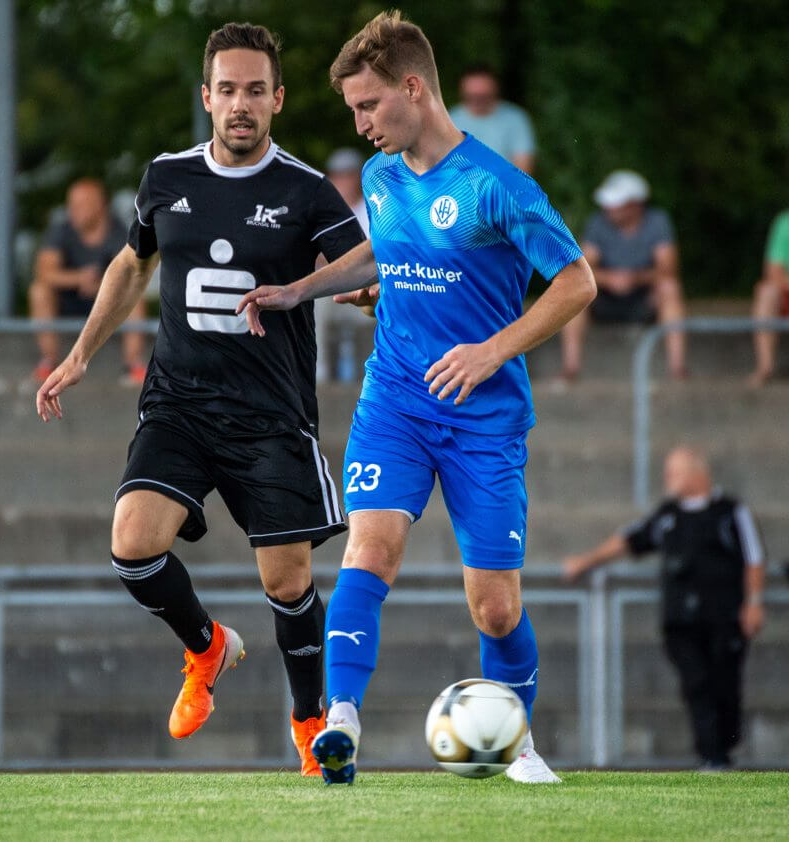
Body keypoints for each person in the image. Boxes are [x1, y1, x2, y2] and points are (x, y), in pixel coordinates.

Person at [237, 10, 596, 784]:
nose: (360, 125)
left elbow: (577, 282)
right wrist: (299, 289)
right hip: (395, 400)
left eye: (368, 105)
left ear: (413, 88)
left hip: (484, 416)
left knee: (494, 607)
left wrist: (491, 350)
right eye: (352, 110)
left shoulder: (497, 186)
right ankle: (339, 724)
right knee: (369, 551)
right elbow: (386, 250)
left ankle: (517, 742)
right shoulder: (382, 176)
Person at [35, 23, 365, 777]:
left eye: (256, 90)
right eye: (228, 90)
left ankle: (309, 722)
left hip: (272, 417)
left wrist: (356, 290)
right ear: (207, 98)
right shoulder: (166, 177)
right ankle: (207, 647)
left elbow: (361, 263)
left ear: (277, 99)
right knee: (132, 545)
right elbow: (132, 264)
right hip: (179, 405)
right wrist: (80, 353)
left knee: (287, 582)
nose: (241, 103)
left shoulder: (306, 190)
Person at [562, 447, 766, 770]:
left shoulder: (729, 512)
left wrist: (753, 603)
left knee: (725, 683)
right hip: (681, 621)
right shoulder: (667, 515)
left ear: (697, 473)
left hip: (724, 617)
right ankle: (711, 757)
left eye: (675, 471)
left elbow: (754, 558)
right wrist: (586, 562)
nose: (668, 478)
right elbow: (630, 539)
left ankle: (724, 749)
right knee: (695, 683)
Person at [559, 170, 686, 380]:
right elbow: (580, 271)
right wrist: (611, 279)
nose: (609, 208)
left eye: (616, 204)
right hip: (605, 299)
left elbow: (668, 271)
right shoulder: (598, 223)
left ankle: (677, 369)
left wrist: (635, 278)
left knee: (670, 289)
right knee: (573, 291)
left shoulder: (657, 222)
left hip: (645, 300)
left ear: (636, 204)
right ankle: (570, 369)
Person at [29, 178, 148, 384]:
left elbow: (131, 273)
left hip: (107, 302)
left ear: (100, 205)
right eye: (71, 205)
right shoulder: (61, 230)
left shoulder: (120, 231)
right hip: (68, 300)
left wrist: (102, 285)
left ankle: (134, 364)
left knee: (135, 297)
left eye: (81, 205)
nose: (73, 211)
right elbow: (44, 272)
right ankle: (49, 362)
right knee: (39, 291)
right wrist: (79, 278)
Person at [315, 148, 372, 382]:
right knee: (317, 304)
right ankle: (321, 376)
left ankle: (365, 377)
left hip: (365, 284)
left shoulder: (371, 209)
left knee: (369, 313)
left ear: (358, 177)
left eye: (348, 175)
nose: (343, 181)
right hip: (331, 287)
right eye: (337, 176)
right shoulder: (323, 211)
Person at [448, 64, 536, 174]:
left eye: (482, 95)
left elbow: (524, 167)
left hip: (505, 183)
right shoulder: (450, 119)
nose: (477, 99)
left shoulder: (515, 118)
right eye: (472, 95)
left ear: (495, 89)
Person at [748, 209, 789, 387]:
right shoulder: (785, 223)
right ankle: (765, 367)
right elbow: (773, 272)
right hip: (786, 293)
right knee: (765, 293)